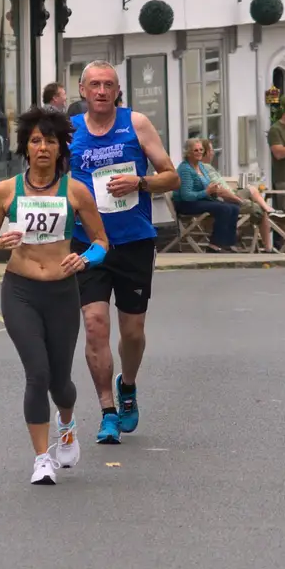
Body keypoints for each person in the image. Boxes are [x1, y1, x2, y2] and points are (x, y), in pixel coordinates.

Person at [0, 106, 110, 485]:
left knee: (60, 382)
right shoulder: (6, 191)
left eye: (49, 141)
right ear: (26, 146)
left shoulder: (75, 191)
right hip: (19, 290)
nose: (42, 148)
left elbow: (102, 241)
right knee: (36, 373)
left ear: (59, 148)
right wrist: (0, 243)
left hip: (62, 291)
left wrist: (85, 259)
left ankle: (66, 423)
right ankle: (41, 458)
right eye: (35, 140)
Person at [70, 60, 180, 444]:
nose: (102, 91)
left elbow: (172, 175)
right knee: (95, 324)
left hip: (133, 241)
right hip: (88, 244)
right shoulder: (70, 133)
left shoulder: (136, 124)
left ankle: (127, 384)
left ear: (118, 91)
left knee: (132, 333)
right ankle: (107, 411)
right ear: (82, 90)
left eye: (109, 85)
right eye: (94, 85)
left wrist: (141, 181)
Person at [174, 139, 243, 252]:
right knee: (223, 209)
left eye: (201, 150)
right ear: (188, 153)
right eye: (195, 150)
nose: (199, 152)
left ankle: (228, 243)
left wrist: (214, 190)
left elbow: (206, 185)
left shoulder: (201, 166)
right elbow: (186, 195)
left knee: (234, 207)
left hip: (201, 200)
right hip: (186, 204)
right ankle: (214, 245)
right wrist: (206, 192)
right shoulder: (185, 169)